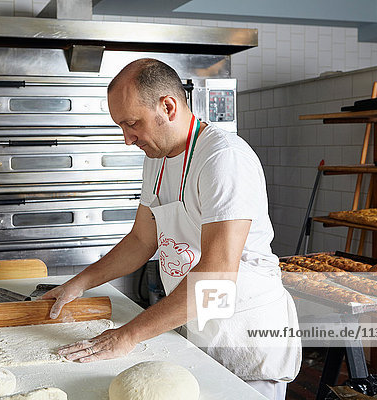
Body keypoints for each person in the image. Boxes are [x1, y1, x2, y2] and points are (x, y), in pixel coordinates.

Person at [41, 58, 301, 400]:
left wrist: (128, 335)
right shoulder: (158, 160)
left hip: (243, 334)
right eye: (121, 126)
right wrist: (78, 283)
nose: (127, 139)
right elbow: (140, 239)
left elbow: (218, 277)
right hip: (194, 324)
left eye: (132, 124)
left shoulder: (223, 159)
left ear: (168, 106)